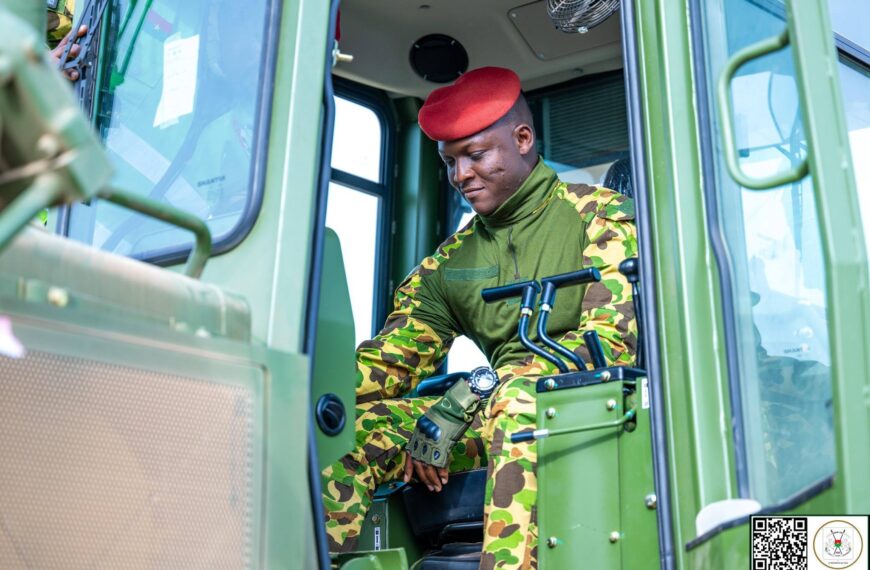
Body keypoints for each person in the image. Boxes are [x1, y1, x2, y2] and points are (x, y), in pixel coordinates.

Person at [321, 66, 637, 569]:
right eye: (450, 161)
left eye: (475, 155)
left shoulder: (599, 216)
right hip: (496, 413)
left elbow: (609, 342)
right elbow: (388, 365)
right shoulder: (451, 263)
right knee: (351, 430)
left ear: (523, 139)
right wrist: (308, 385)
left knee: (516, 400)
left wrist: (464, 400)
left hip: (589, 405)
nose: (460, 175)